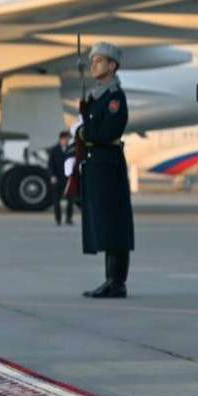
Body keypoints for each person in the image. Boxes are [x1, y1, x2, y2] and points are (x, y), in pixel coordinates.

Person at [77, 42, 135, 298]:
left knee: (115, 223)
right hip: (96, 165)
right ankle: (110, 279)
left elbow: (108, 132)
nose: (93, 64)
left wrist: (82, 131)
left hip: (108, 164)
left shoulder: (114, 98)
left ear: (112, 66)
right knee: (105, 222)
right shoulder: (97, 96)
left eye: (99, 60)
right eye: (92, 60)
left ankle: (117, 282)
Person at [47, 131, 76, 225]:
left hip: (69, 179)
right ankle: (58, 219)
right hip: (57, 179)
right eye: (65, 139)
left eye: (68, 139)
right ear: (61, 139)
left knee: (70, 201)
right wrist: (52, 176)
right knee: (56, 201)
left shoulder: (72, 149)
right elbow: (50, 165)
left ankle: (68, 218)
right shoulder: (54, 150)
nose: (67, 141)